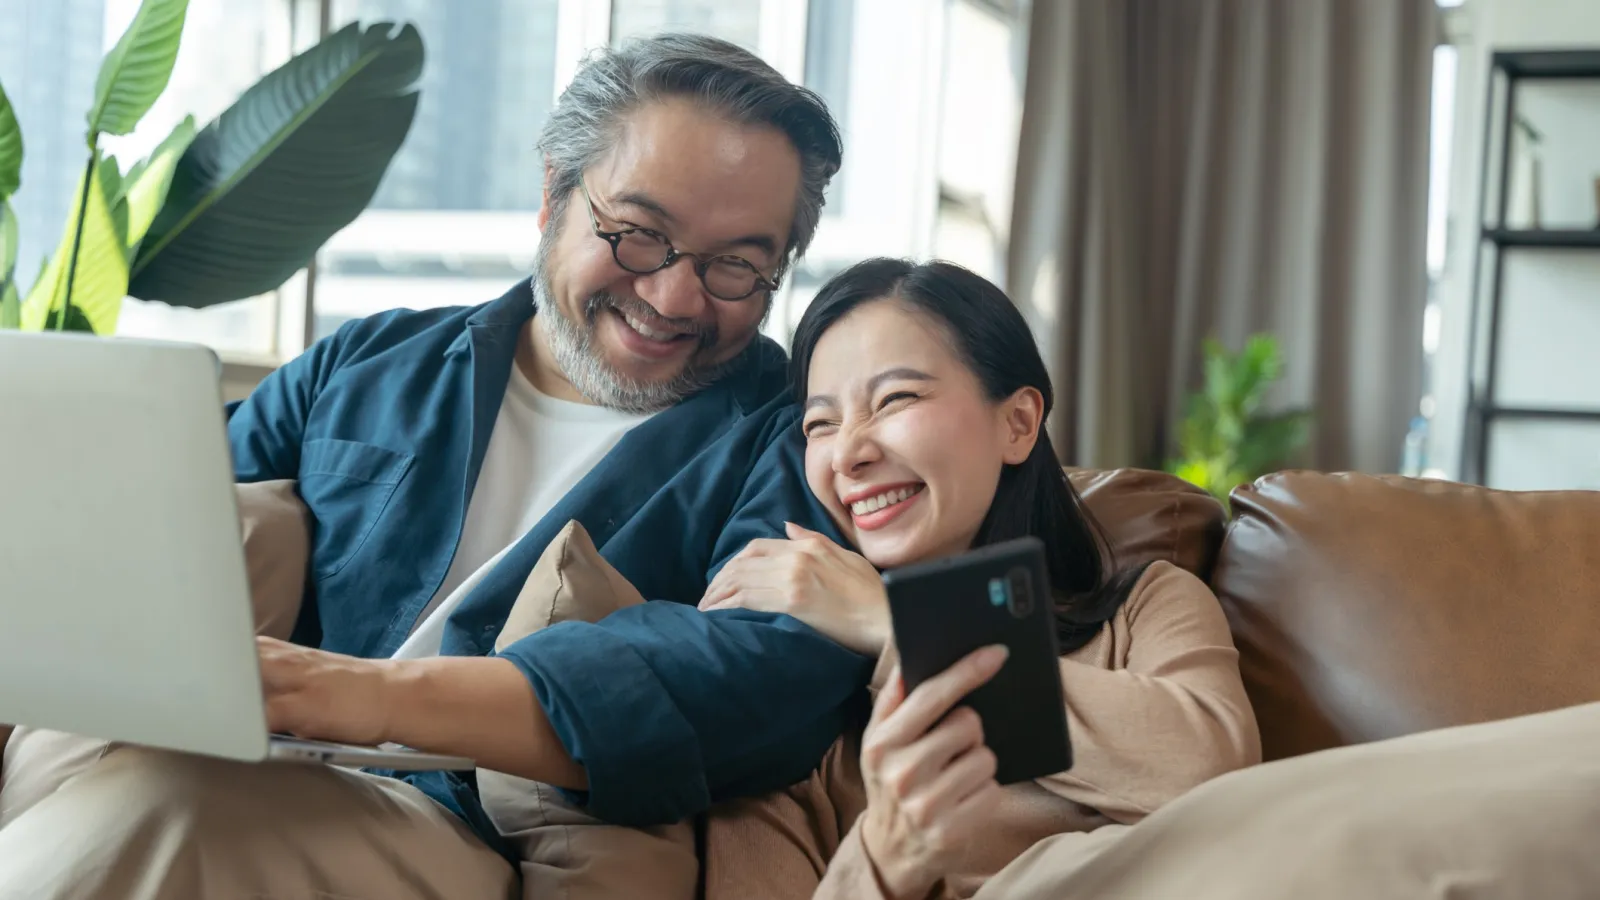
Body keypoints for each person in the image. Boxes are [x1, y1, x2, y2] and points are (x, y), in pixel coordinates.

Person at [0, 34, 875, 900]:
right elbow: (155, 511)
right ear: (552, 195)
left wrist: (374, 696)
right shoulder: (372, 361)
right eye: (641, 235)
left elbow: (760, 681)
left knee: (165, 811)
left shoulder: (790, 442)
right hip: (228, 766)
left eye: (737, 268)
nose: (674, 297)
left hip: (456, 826)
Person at [697, 258, 1263, 899]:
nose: (850, 452)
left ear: (1018, 423)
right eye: (820, 424)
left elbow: (1217, 775)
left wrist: (897, 623)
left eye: (896, 399)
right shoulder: (791, 704)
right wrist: (884, 858)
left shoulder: (1144, 608)